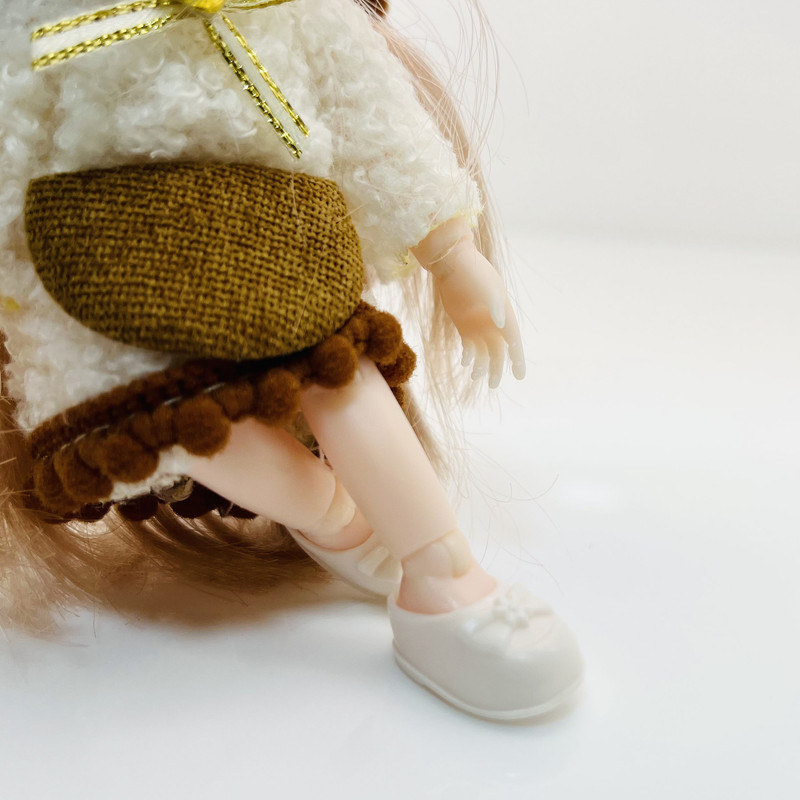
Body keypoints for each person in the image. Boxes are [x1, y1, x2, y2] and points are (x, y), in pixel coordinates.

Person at [0, 0, 582, 719]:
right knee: (167, 421)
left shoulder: (294, 9)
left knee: (336, 370)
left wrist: (450, 249)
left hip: (269, 222)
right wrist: (24, 305)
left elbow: (369, 110)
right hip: (94, 249)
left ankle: (447, 572)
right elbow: (11, 133)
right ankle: (336, 515)